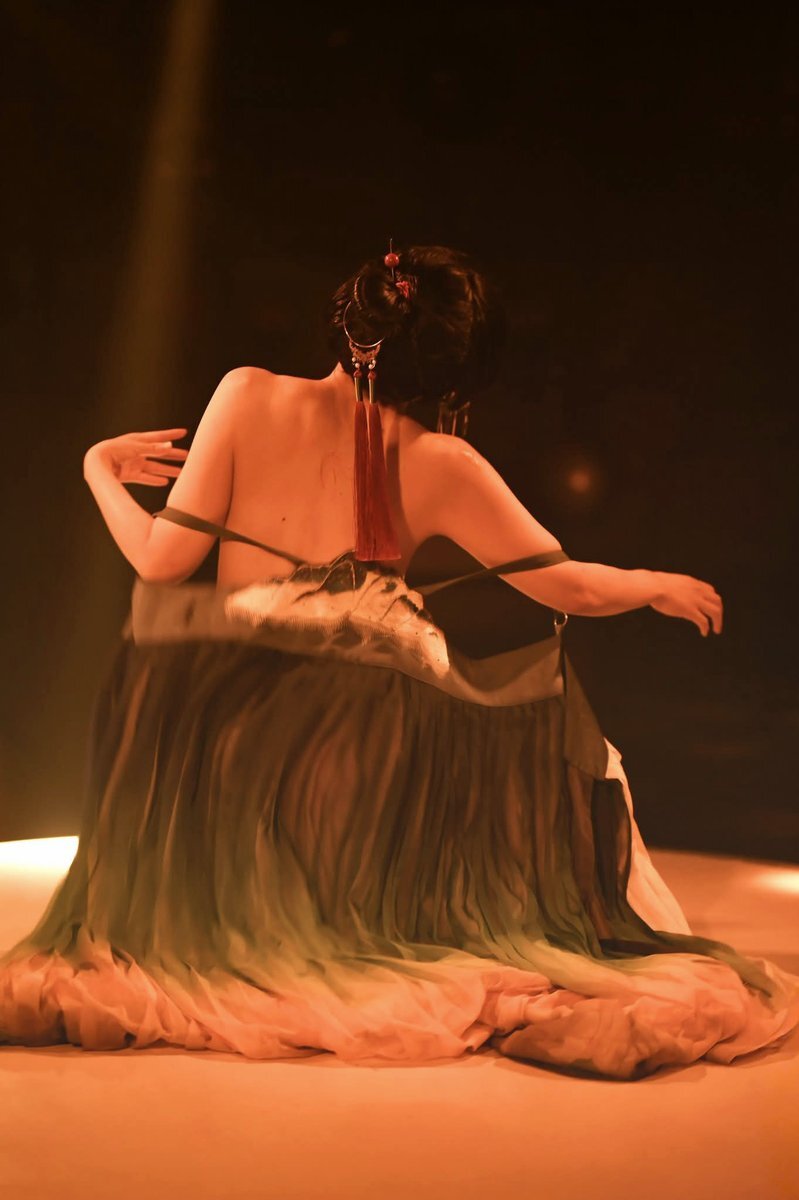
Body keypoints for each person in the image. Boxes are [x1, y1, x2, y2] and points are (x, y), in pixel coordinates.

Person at [1, 244, 797, 1080]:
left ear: (350, 317)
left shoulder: (244, 394)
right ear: (453, 374)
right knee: (565, 752)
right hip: (350, 767)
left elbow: (161, 564)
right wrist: (654, 585)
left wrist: (99, 469)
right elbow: (569, 587)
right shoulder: (440, 462)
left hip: (223, 754)